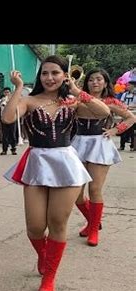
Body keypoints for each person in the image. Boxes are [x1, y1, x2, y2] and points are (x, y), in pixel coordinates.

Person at [2, 55, 110, 291]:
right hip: (37, 163)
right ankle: (43, 255)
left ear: (64, 75)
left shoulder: (72, 101)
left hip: (66, 163)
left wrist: (76, 91)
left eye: (55, 73)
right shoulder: (29, 100)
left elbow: (102, 111)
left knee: (57, 222)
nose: (49, 78)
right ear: (39, 77)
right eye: (44, 73)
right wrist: (18, 88)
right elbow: (8, 118)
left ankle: (49, 275)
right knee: (35, 227)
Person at [72, 68, 136, 246]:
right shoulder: (78, 98)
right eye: (91, 79)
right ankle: (94, 221)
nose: (95, 82)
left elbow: (130, 118)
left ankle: (93, 229)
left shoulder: (111, 101)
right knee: (75, 194)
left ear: (105, 83)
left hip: (100, 144)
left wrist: (115, 130)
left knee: (94, 190)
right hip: (77, 143)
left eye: (99, 79)